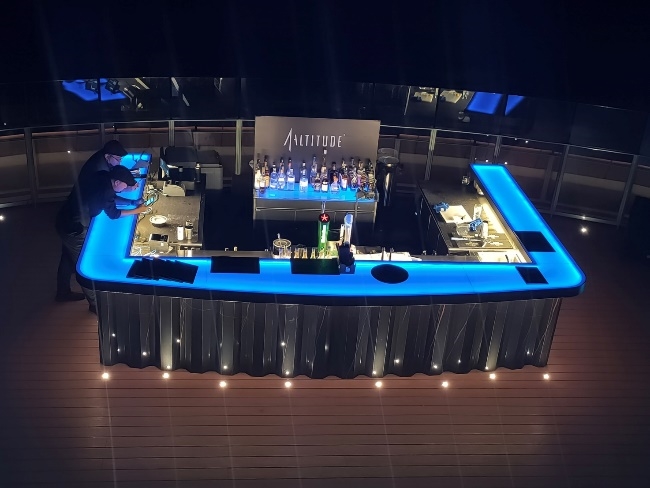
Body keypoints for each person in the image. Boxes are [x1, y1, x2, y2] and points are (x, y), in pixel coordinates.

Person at [55, 165, 147, 313]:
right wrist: (137, 210)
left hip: (64, 219)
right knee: (83, 267)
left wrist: (132, 203)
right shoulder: (106, 190)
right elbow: (114, 214)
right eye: (125, 185)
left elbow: (110, 198)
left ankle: (62, 292)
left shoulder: (103, 176)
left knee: (67, 257)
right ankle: (95, 305)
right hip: (74, 228)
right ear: (117, 182)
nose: (127, 188)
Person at [77, 139, 143, 205]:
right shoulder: (100, 169)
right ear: (107, 156)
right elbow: (109, 197)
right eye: (118, 159)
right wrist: (126, 188)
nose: (119, 162)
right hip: (83, 206)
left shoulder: (103, 159)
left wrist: (127, 184)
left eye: (120, 159)